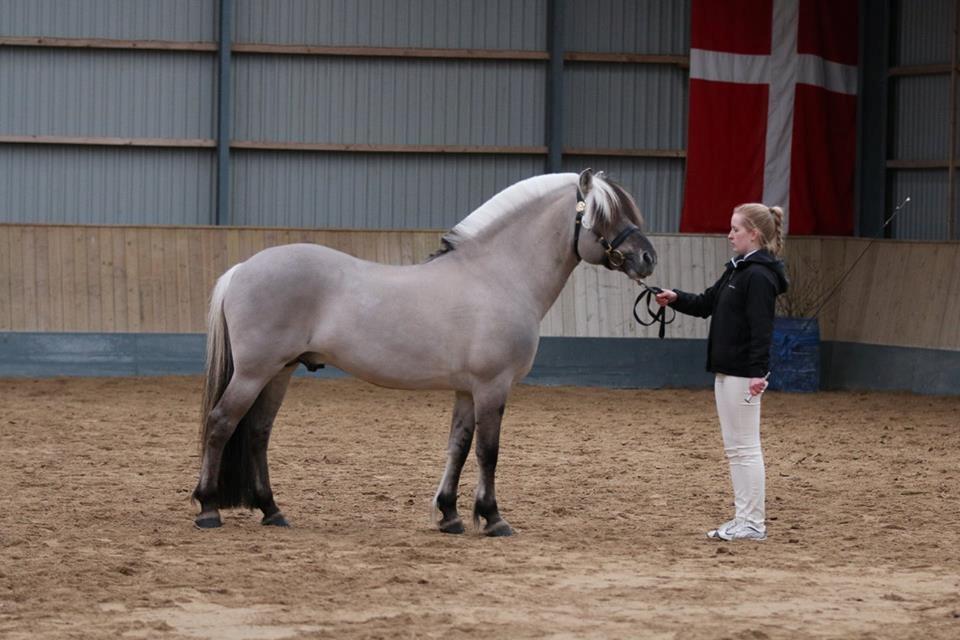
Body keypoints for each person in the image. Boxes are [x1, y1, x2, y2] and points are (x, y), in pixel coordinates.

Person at [655, 203, 788, 541]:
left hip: (744, 372)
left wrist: (760, 373)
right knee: (736, 449)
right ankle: (744, 518)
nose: (730, 235)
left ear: (753, 234)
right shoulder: (737, 270)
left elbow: (762, 328)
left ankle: (753, 523)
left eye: (736, 230)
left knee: (745, 448)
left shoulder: (758, 276)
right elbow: (706, 303)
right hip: (728, 370)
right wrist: (676, 298)